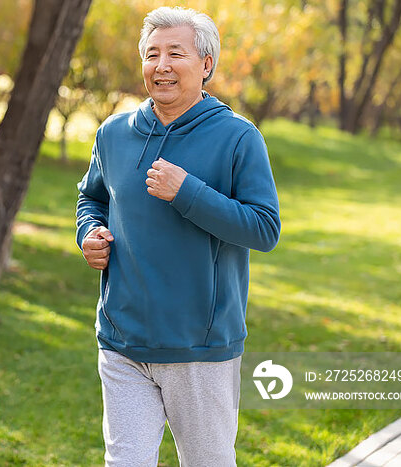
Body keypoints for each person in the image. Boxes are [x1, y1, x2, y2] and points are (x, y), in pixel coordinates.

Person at [75, 6, 281, 467]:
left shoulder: (238, 137)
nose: (161, 65)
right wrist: (89, 232)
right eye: (151, 54)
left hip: (199, 349)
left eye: (175, 53)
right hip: (122, 340)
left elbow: (265, 229)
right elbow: (91, 198)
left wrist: (188, 192)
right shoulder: (113, 133)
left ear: (206, 64)